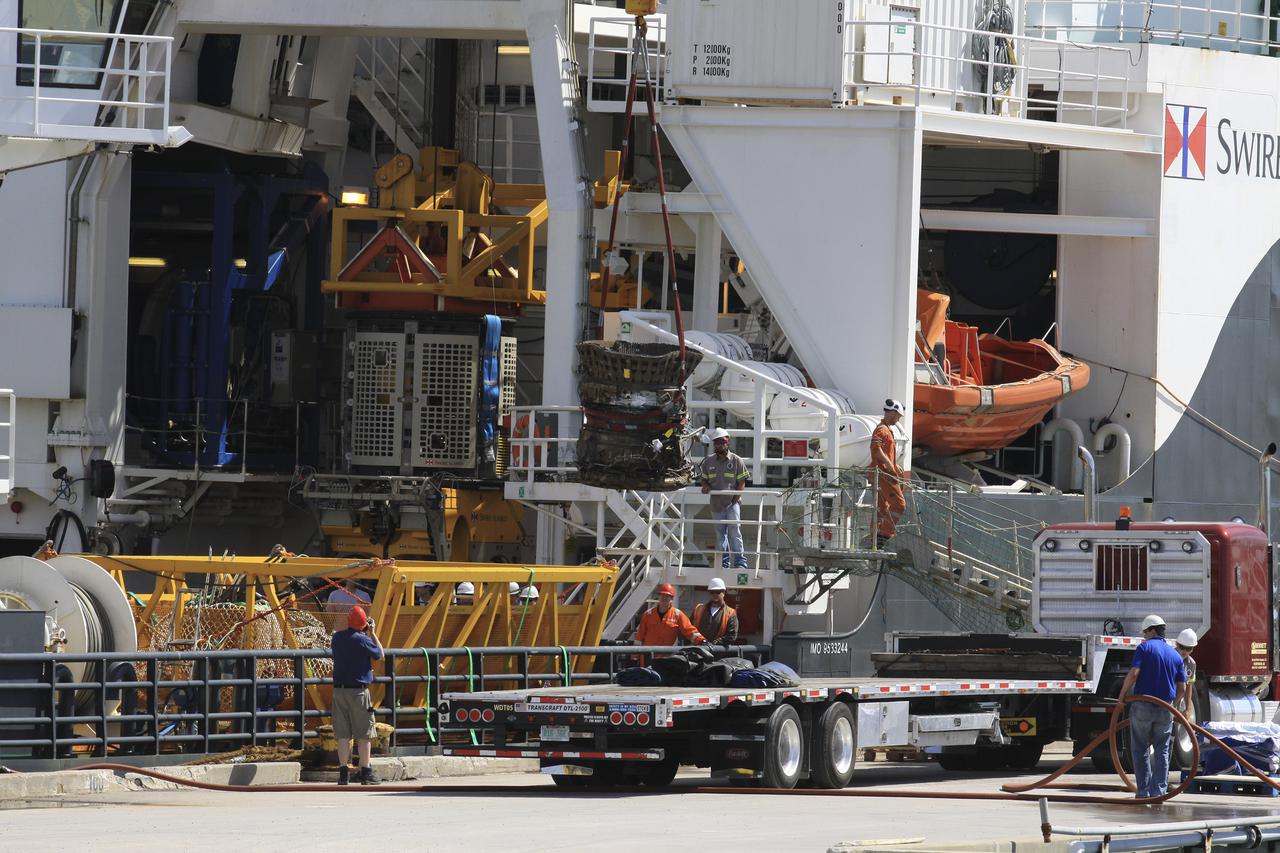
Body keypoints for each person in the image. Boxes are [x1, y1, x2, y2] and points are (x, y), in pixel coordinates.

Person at [1117, 614, 1188, 799]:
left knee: (1140, 749)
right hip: (1166, 709)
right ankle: (1159, 792)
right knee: (1163, 750)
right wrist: (1174, 705)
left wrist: (1122, 696)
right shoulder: (1175, 654)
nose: (1144, 636)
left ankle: (1143, 792)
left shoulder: (1144, 648)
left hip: (1143, 706)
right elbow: (1183, 687)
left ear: (1152, 630)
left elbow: (1134, 674)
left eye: (1145, 632)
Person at [330, 605, 384, 785]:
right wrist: (372, 632)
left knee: (343, 735)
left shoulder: (336, 638)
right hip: (359, 692)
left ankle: (343, 774)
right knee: (364, 733)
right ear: (363, 624)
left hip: (339, 692)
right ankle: (366, 772)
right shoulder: (363, 640)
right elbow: (380, 654)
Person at [699, 427, 749, 570]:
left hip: (732, 504)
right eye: (716, 443)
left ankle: (740, 562)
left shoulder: (736, 461)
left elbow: (741, 483)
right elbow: (704, 480)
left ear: (727, 443)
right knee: (721, 535)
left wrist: (734, 501)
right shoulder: (708, 462)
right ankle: (724, 563)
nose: (719, 445)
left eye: (722, 442)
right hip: (716, 505)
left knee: (735, 532)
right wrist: (705, 486)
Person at [870, 399, 908, 545]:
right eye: (898, 416)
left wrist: (895, 464)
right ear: (893, 413)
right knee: (899, 505)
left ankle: (875, 534)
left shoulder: (886, 429)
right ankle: (885, 535)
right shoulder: (882, 430)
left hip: (880, 473)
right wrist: (890, 467)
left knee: (882, 508)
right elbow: (876, 449)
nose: (898, 419)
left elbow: (882, 451)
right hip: (885, 475)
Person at [636, 582, 706, 647]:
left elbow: (689, 631)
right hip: (648, 656)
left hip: (666, 657)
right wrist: (635, 657)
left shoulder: (678, 615)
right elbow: (639, 637)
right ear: (659, 596)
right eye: (662, 595)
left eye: (667, 596)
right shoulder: (648, 614)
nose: (664, 598)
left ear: (672, 598)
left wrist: (702, 641)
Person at [691, 577, 739, 644]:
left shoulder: (730, 613)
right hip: (699, 651)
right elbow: (690, 630)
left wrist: (716, 643)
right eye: (712, 592)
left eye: (718, 592)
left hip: (718, 652)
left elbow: (732, 635)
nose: (714, 595)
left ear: (724, 593)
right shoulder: (698, 609)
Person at [1175, 628, 1198, 708]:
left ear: (1192, 649)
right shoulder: (1169, 659)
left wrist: (1188, 708)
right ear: (1176, 644)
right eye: (1182, 647)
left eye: (1188, 648)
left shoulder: (1192, 664)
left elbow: (1189, 686)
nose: (1184, 651)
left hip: (1176, 704)